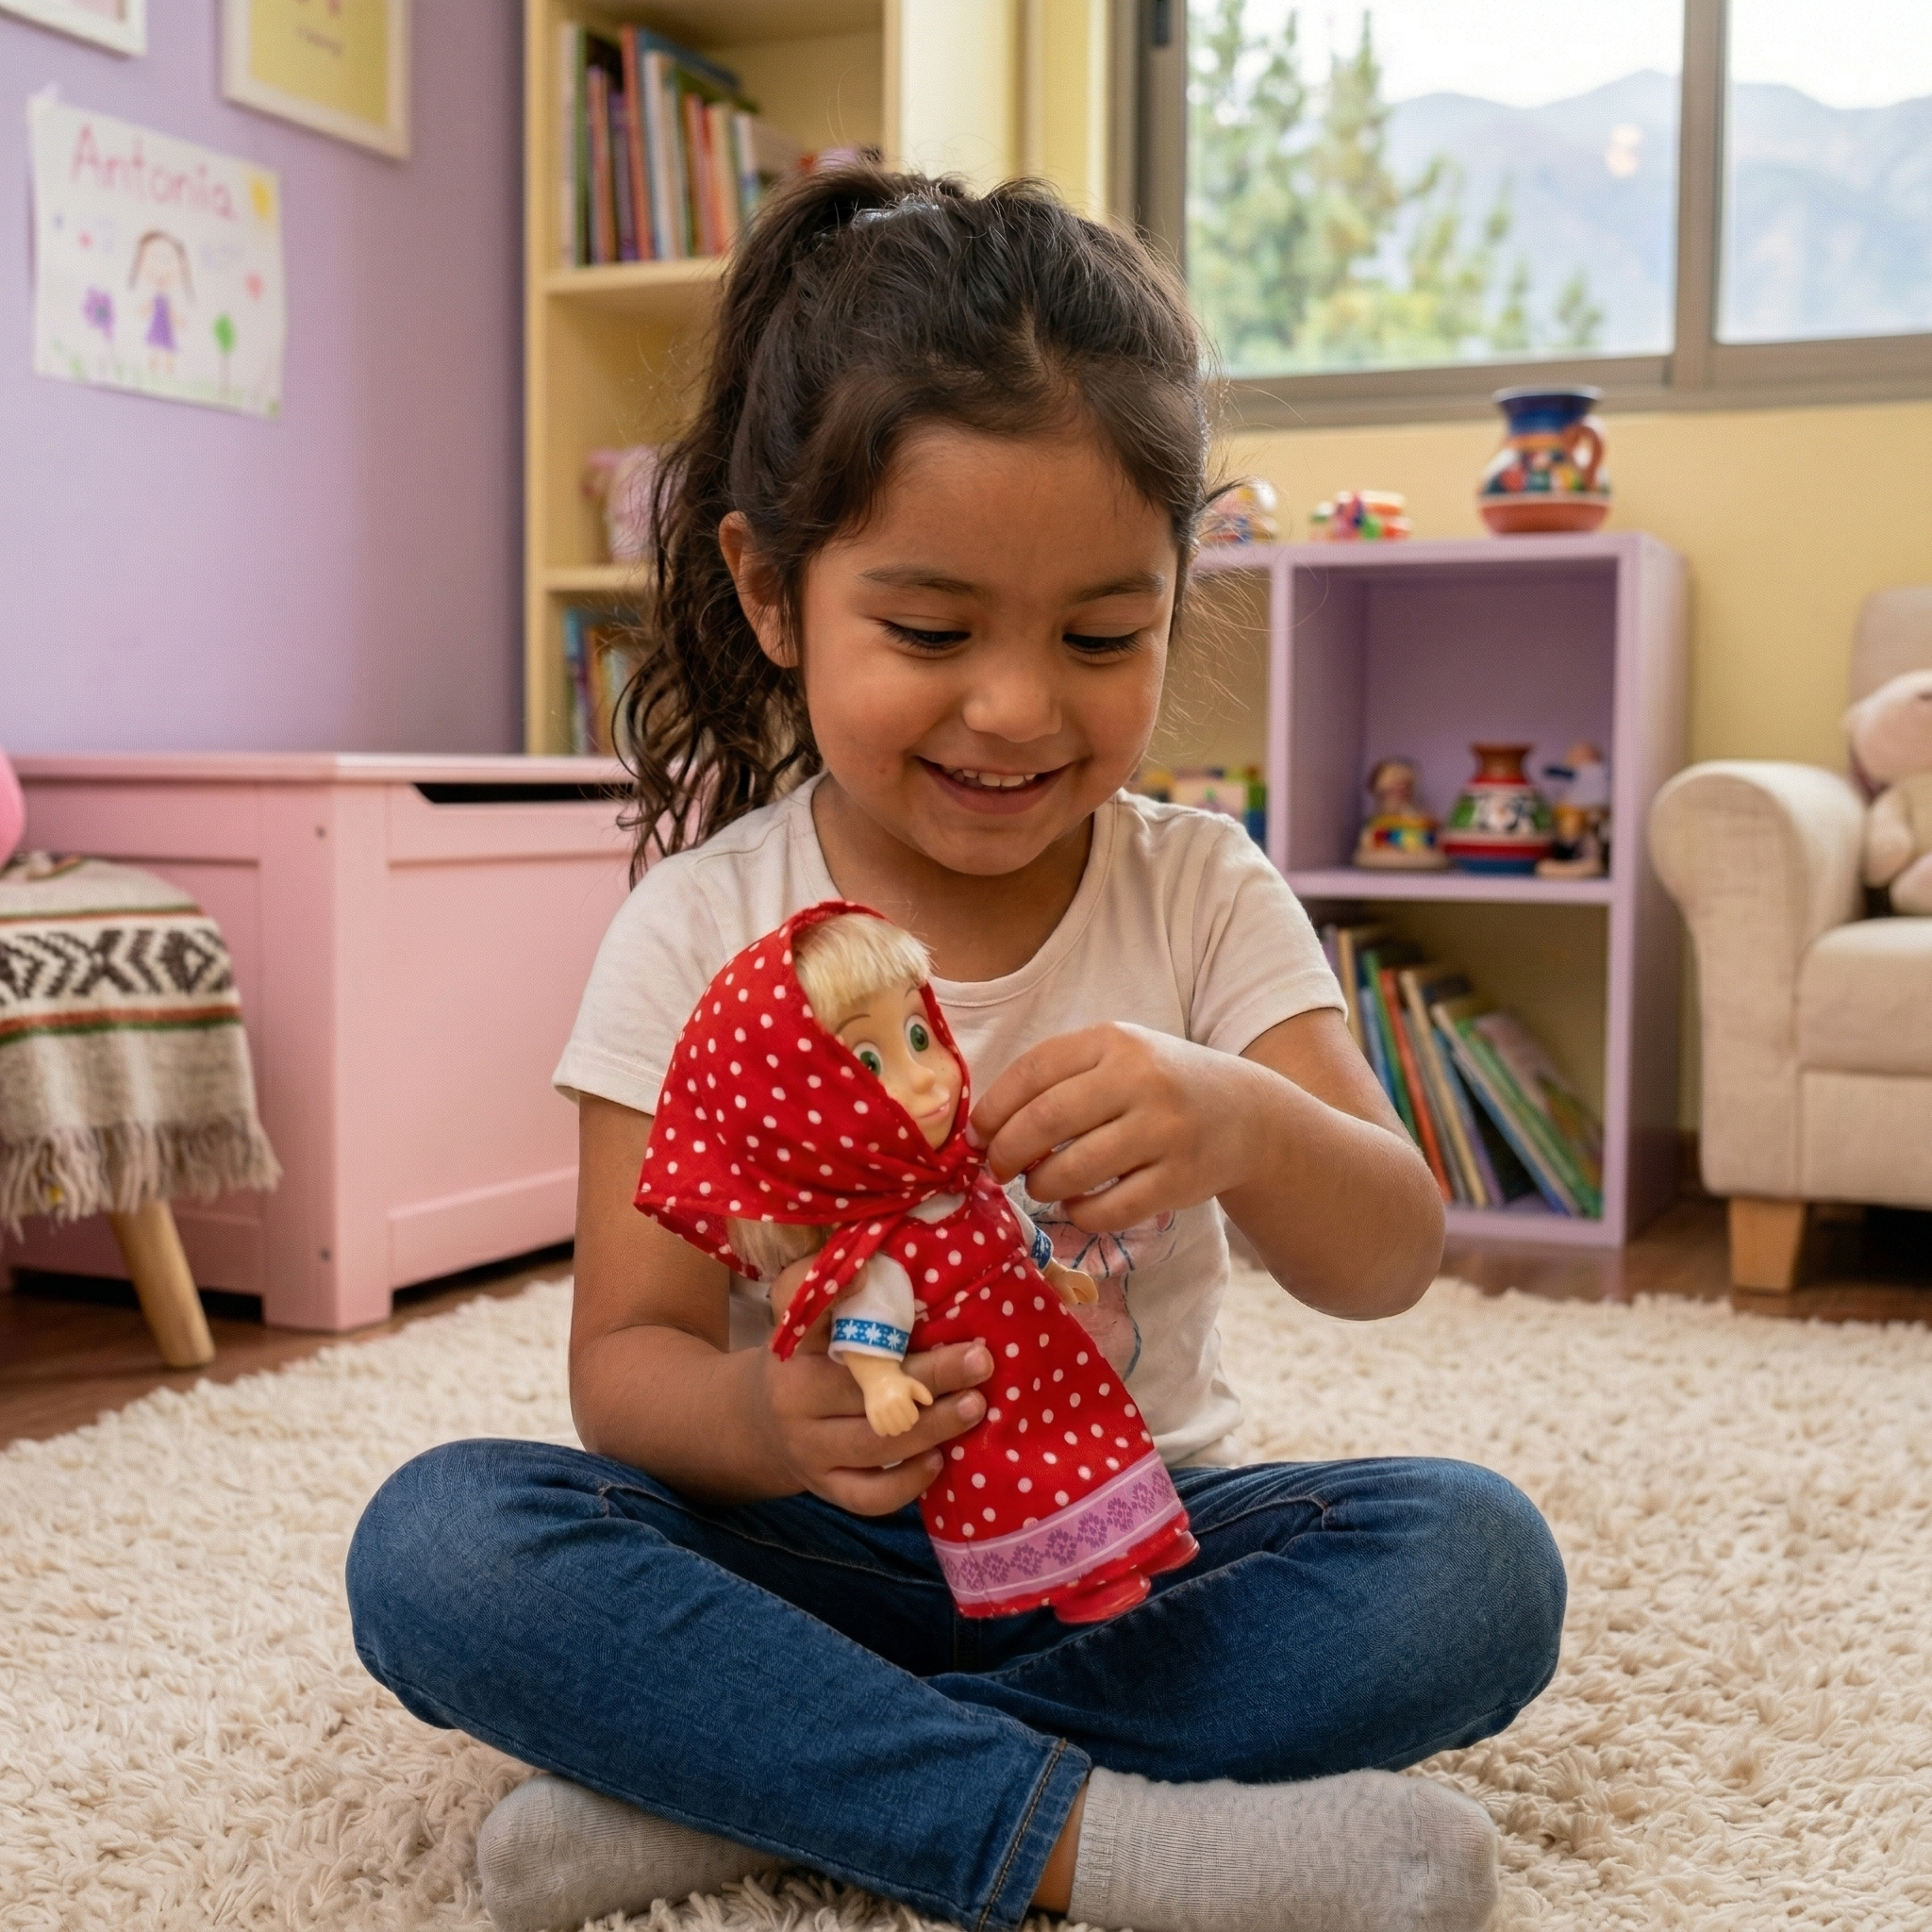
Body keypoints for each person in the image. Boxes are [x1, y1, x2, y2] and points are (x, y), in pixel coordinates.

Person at [346, 166, 1565, 1932]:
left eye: (1100, 636)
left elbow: (1391, 1253)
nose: (1015, 706)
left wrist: (1245, 1125)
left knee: (1476, 1569)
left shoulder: (1203, 891)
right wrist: (775, 1425)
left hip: (1137, 1557)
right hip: (804, 1559)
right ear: (774, 597)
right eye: (928, 633)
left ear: (1176, 592)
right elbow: (626, 1362)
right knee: (440, 1546)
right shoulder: (698, 932)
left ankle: (752, 1792)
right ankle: (1104, 1841)